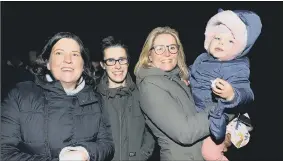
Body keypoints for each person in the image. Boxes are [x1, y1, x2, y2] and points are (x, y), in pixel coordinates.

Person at [1, 32, 114, 161]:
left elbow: (107, 144)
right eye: (59, 53)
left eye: (75, 54)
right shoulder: (19, 95)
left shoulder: (95, 99)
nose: (68, 59)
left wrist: (86, 152)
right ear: (48, 63)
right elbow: (4, 151)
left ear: (83, 65)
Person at [134, 26, 232, 160]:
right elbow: (185, 133)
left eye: (172, 47)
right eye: (159, 48)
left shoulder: (178, 80)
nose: (167, 53)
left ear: (178, 52)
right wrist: (226, 105)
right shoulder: (150, 85)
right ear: (149, 55)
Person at [188, 9, 262, 160]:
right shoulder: (202, 58)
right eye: (218, 38)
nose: (221, 43)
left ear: (239, 48)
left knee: (209, 152)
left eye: (230, 41)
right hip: (201, 113)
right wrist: (186, 77)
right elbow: (192, 72)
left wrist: (232, 94)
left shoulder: (236, 66)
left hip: (222, 117)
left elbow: (247, 93)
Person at [96, 36, 155, 161]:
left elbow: (151, 132)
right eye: (111, 60)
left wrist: (140, 156)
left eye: (122, 60)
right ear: (103, 65)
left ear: (128, 62)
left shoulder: (142, 94)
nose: (118, 66)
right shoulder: (93, 99)